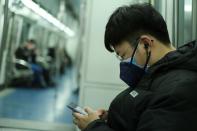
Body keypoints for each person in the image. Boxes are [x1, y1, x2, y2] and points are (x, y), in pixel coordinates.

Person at [73, 3, 197, 131]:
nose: (124, 62)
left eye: (124, 55)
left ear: (145, 44)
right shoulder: (157, 75)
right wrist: (112, 116)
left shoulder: (179, 90)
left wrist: (93, 127)